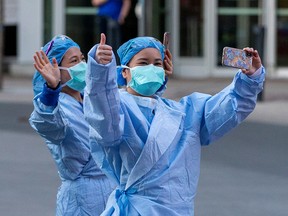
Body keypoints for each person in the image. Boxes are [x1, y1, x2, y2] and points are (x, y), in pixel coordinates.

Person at [83, 33, 265, 215]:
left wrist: (250, 78)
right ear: (124, 71)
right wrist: (100, 73)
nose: (151, 68)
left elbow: (226, 108)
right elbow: (103, 115)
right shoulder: (119, 108)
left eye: (157, 64)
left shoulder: (184, 112)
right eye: (143, 63)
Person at [29, 35, 115, 216]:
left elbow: (127, 107)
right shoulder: (55, 105)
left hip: (113, 191)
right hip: (81, 201)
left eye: (82, 59)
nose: (82, 65)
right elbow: (48, 125)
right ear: (54, 68)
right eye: (74, 61)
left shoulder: (91, 98)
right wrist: (50, 91)